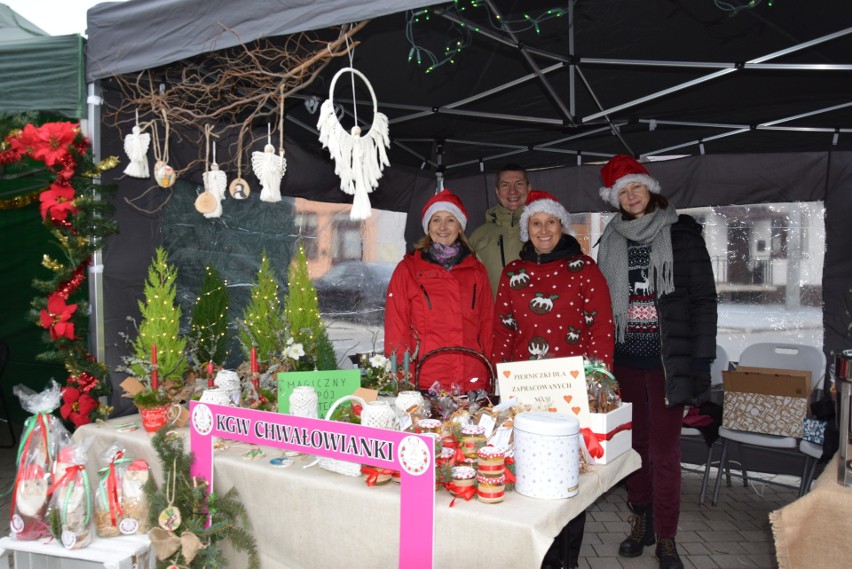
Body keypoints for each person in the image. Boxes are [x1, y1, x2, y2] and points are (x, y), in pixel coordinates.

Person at [595, 155, 717, 569]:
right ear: (615, 199)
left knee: (665, 451)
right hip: (625, 359)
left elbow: (704, 301)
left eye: (636, 187)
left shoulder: (682, 234)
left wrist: (701, 360)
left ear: (650, 188)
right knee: (634, 446)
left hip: (668, 362)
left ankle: (667, 537)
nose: (630, 197)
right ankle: (641, 522)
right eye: (622, 192)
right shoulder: (611, 237)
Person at [491, 190, 615, 569]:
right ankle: (537, 555)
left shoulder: (586, 268)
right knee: (527, 469)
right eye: (536, 223)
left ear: (562, 226)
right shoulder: (513, 272)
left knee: (567, 476)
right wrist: (499, 384)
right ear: (527, 228)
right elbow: (502, 331)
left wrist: (598, 385)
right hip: (525, 389)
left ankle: (567, 560)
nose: (543, 230)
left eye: (550, 222)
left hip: (571, 387)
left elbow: (601, 328)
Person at [384, 189, 495, 393]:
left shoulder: (476, 270)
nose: (443, 227)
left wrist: (490, 374)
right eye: (436, 220)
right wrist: (402, 378)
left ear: (460, 226)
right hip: (426, 378)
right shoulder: (408, 269)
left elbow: (487, 326)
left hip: (471, 377)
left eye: (450, 220)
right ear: (428, 226)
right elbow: (396, 329)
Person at [469, 163, 531, 297]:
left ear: (529, 188)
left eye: (519, 184)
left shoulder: (543, 231)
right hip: (492, 316)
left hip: (536, 314)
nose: (512, 191)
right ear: (497, 191)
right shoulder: (478, 235)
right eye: (505, 185)